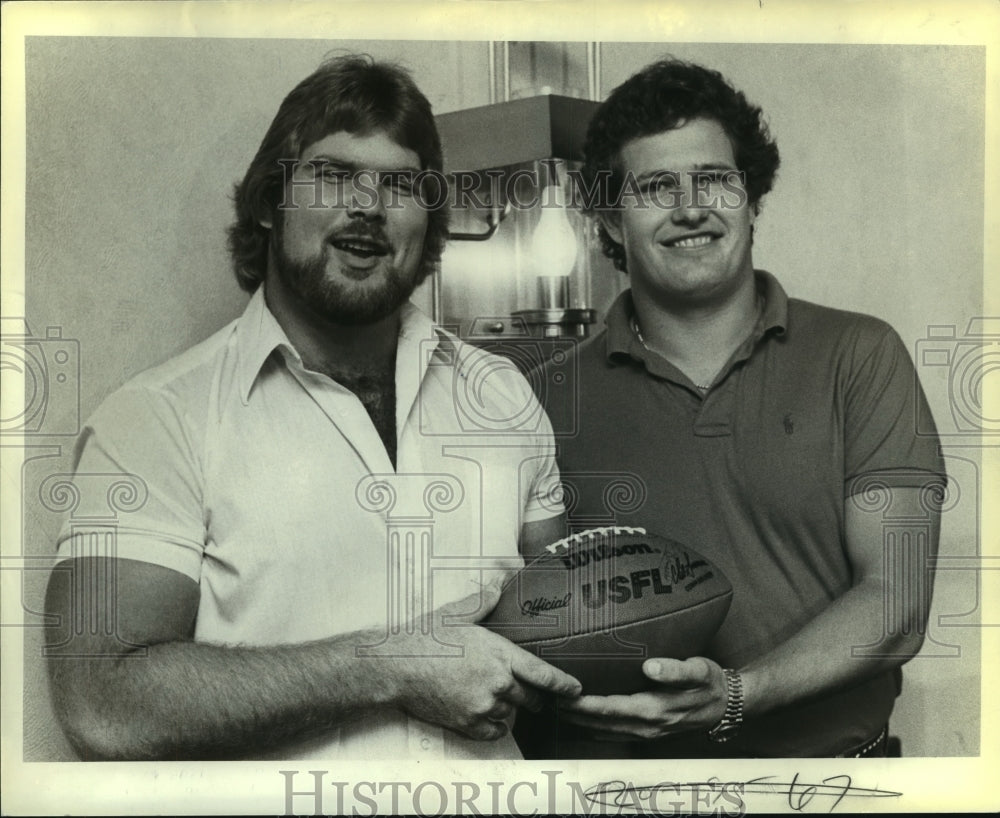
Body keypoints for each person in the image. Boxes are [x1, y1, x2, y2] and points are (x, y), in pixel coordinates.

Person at [43, 55, 581, 762]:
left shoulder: (500, 394)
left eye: (399, 184)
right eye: (333, 175)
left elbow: (567, 622)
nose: (368, 206)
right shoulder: (155, 421)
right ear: (270, 202)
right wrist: (386, 665)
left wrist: (693, 681)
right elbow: (102, 703)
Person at [525, 57, 946, 758]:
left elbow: (896, 605)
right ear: (607, 216)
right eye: (657, 186)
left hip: (838, 787)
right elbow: (534, 612)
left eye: (715, 180)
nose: (691, 208)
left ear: (751, 197)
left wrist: (737, 697)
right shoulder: (544, 399)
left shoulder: (860, 355)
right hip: (632, 798)